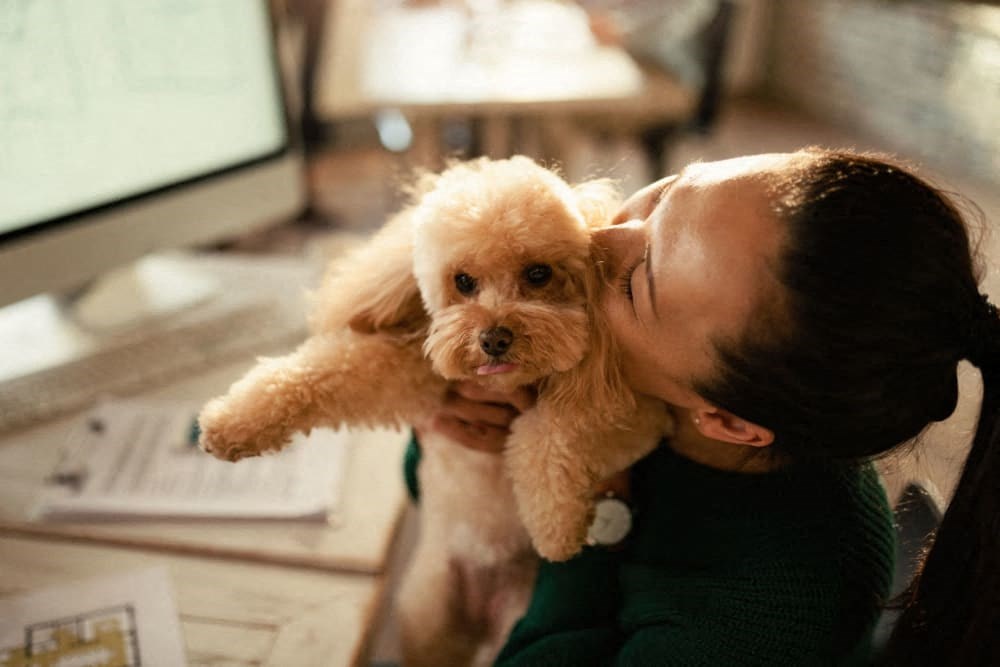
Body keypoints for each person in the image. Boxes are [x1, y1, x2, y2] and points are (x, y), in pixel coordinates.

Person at [407, 148, 999, 665]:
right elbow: (429, 500)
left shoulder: (778, 611)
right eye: (666, 193)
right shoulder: (628, 370)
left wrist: (597, 504)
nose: (597, 243)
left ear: (730, 423)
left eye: (637, 283)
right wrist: (446, 429)